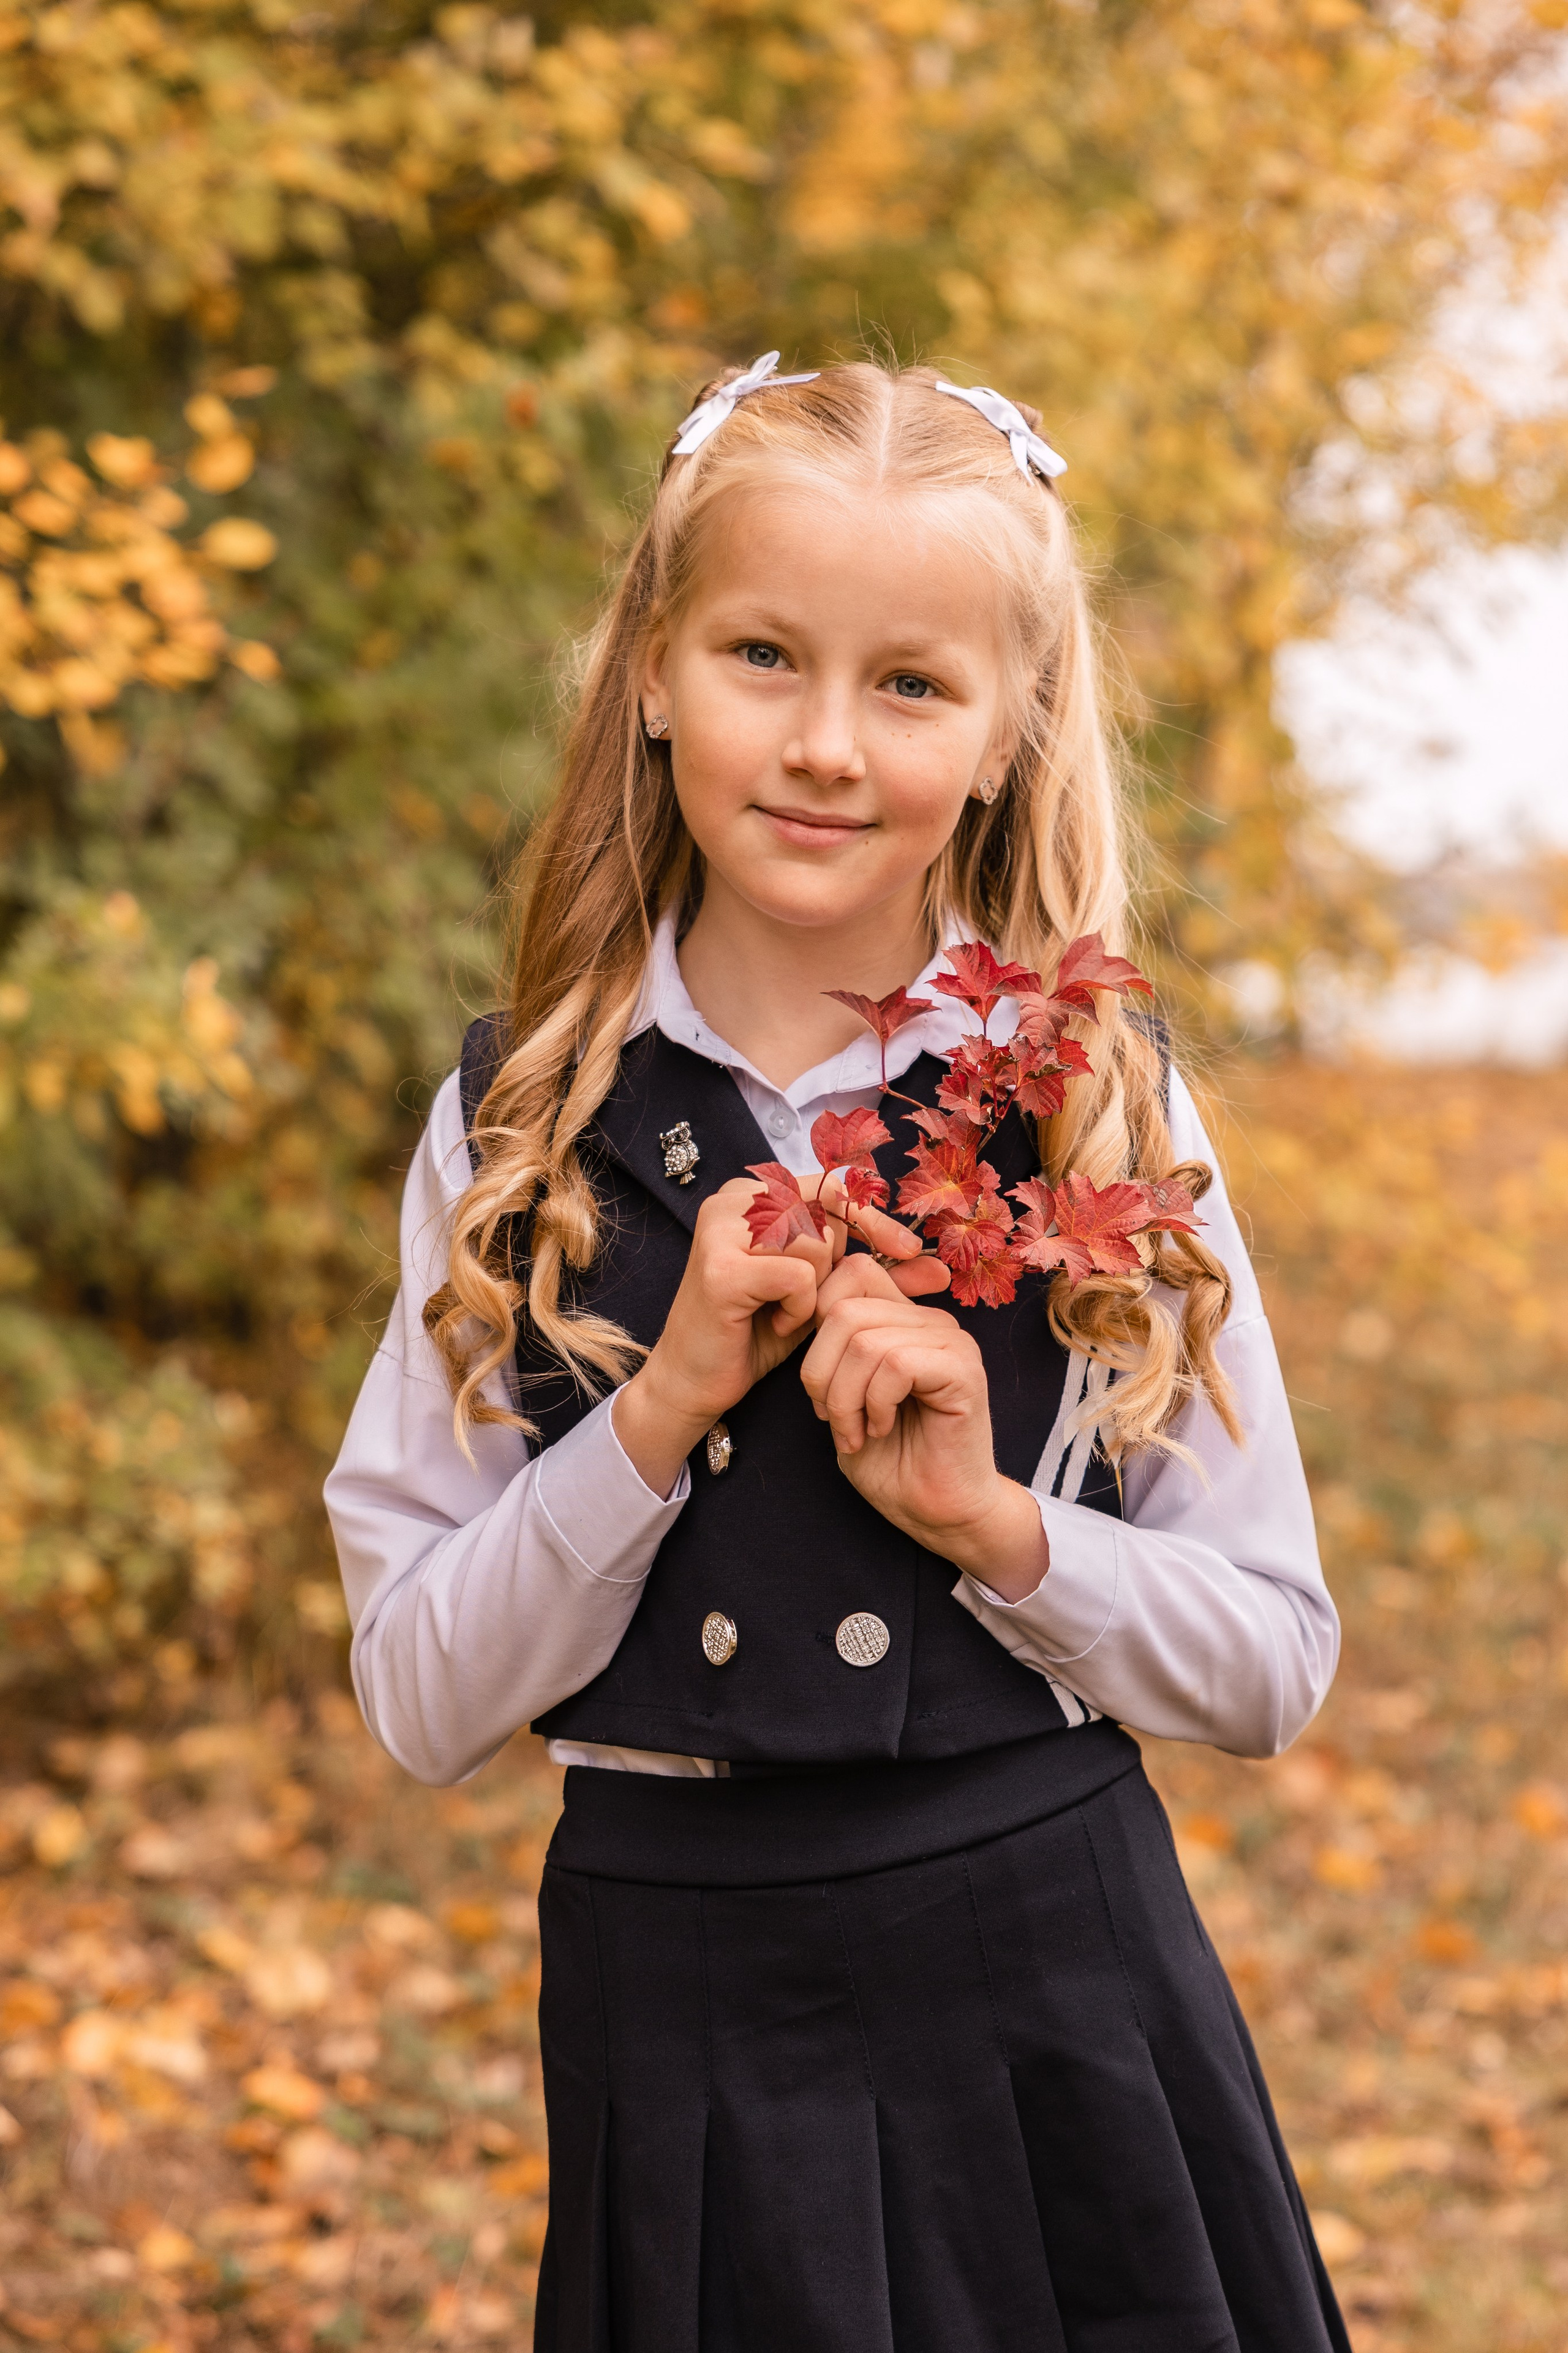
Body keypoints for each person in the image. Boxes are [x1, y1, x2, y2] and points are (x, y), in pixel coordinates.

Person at [326, 353, 1348, 2353]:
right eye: (762, 654)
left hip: (1061, 1984)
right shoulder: (522, 1129)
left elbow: (1275, 1655)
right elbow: (419, 1697)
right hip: (682, 2004)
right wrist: (663, 1405)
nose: (819, 744)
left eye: (908, 683)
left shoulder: (1093, 1108)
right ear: (650, 668)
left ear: (1005, 730)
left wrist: (989, 1524)